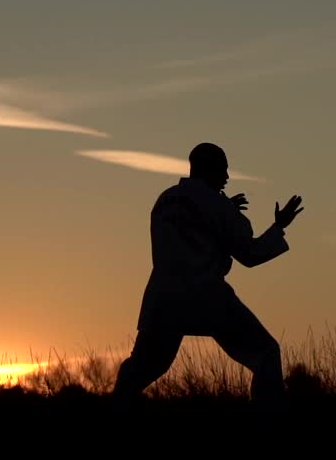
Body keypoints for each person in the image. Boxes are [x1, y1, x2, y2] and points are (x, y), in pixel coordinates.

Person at [112, 142, 304, 403]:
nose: (227, 178)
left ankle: (112, 408)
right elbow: (250, 254)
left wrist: (225, 211)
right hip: (207, 295)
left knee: (144, 366)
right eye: (223, 169)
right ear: (210, 169)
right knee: (265, 353)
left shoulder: (164, 200)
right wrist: (278, 226)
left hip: (163, 298)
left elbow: (193, 230)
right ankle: (269, 420)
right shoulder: (218, 205)